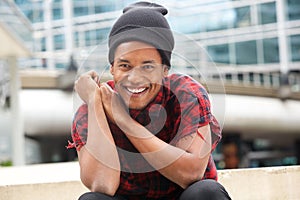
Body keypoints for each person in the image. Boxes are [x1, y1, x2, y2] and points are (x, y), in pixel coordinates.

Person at [67, 1, 231, 199]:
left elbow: (191, 174)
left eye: (147, 67)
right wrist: (95, 104)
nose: (135, 78)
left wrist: (124, 120)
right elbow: (103, 185)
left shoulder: (186, 94)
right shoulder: (92, 108)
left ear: (164, 70)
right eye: (125, 66)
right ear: (112, 69)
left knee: (205, 192)